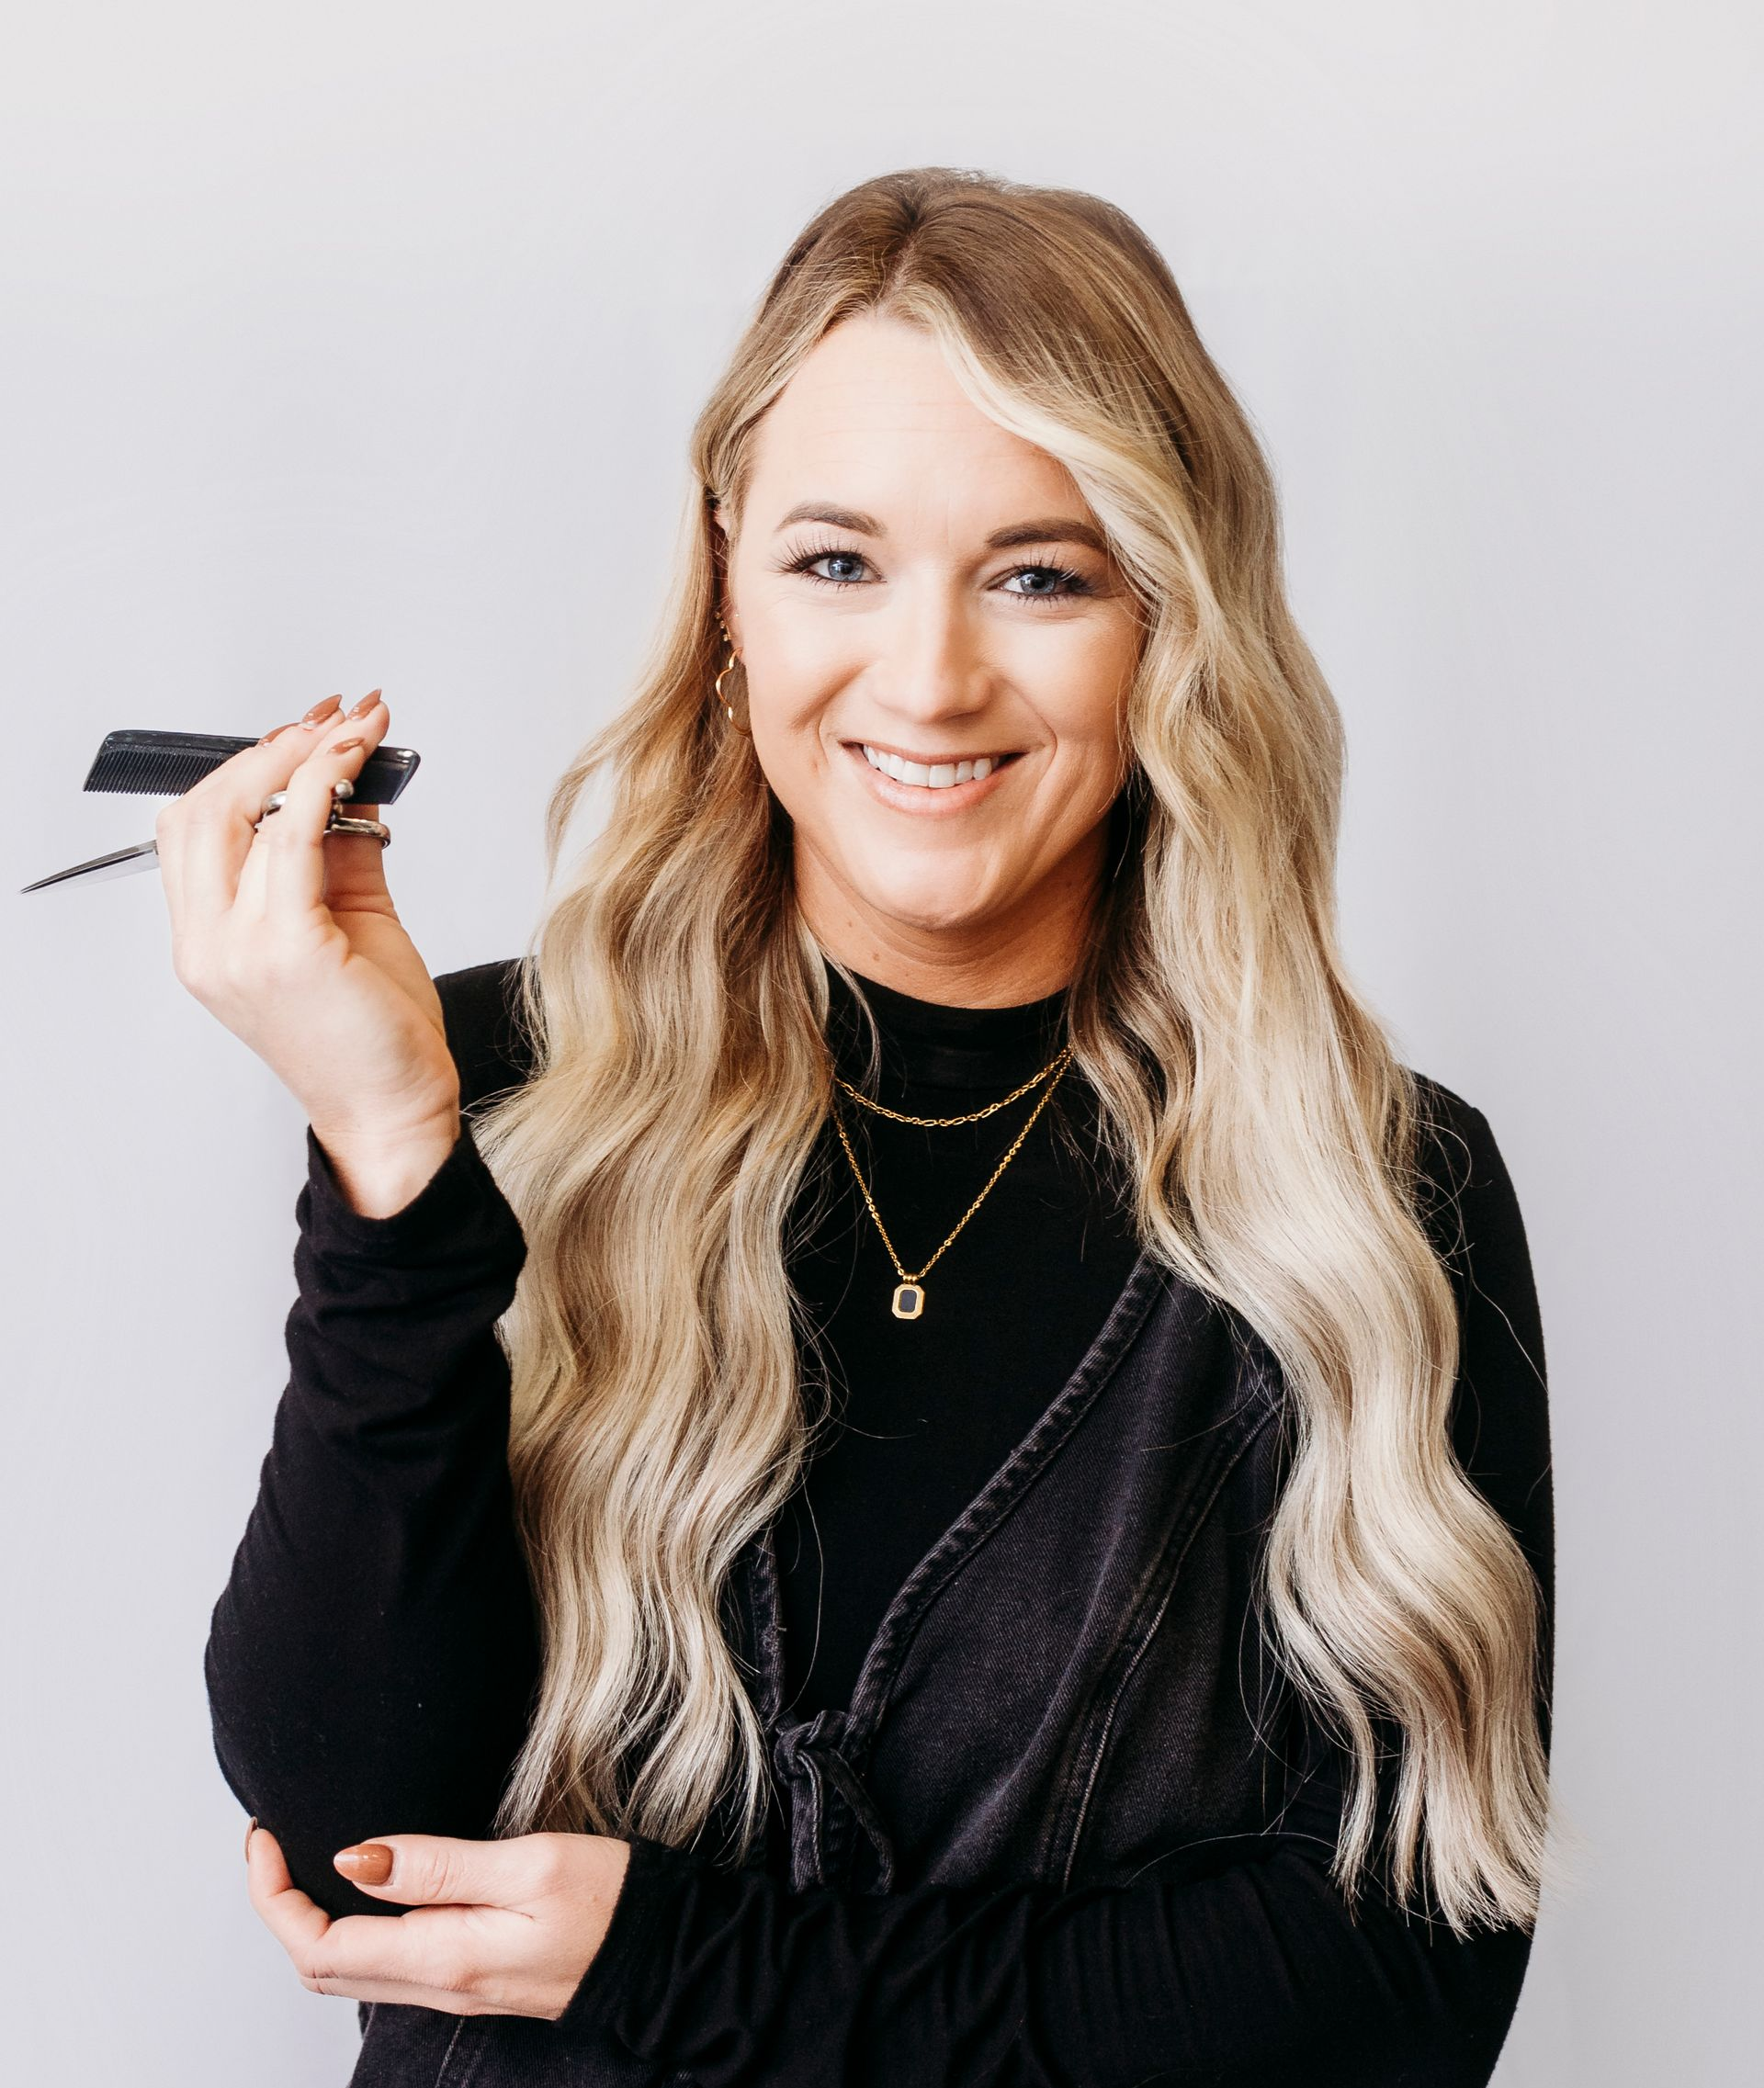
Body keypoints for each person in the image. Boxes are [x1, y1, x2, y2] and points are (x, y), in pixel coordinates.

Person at [163, 166, 1556, 2086]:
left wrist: (694, 1967)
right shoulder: (485, 1074)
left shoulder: (1380, 1189)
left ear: (1171, 617)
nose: (929, 678)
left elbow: (1406, 1988)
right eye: (839, 563)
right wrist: (391, 1153)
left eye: (1042, 575)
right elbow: (358, 1839)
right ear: (727, 585)